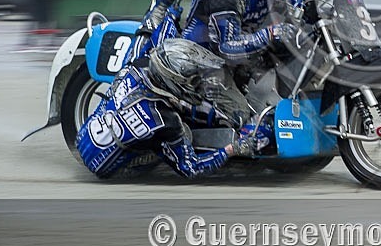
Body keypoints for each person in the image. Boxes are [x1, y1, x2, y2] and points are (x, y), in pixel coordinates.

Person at [76, 38, 255, 179]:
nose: (198, 82)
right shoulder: (166, 119)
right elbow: (192, 169)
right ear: (171, 80)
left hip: (84, 134)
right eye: (193, 79)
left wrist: (162, 5)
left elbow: (143, 34)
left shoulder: (137, 65)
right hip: (108, 168)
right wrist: (232, 150)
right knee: (184, 131)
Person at [180, 0, 303, 124]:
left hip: (243, 51)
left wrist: (310, 6)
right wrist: (269, 34)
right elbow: (227, 47)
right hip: (206, 62)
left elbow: (288, 4)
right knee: (243, 119)